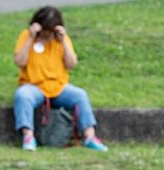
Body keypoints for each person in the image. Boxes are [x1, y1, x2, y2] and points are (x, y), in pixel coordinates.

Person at [13, 5, 108, 152]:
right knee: (22, 95)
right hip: (34, 86)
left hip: (58, 86)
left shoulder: (61, 39)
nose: (47, 35)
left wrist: (63, 41)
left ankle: (90, 136)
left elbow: (71, 64)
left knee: (80, 95)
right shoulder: (26, 36)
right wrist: (31, 38)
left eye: (50, 32)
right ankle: (28, 136)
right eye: (45, 31)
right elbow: (20, 62)